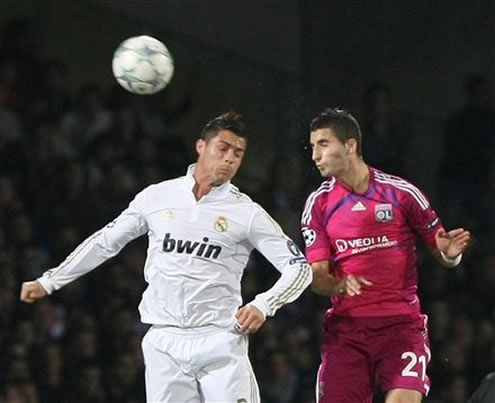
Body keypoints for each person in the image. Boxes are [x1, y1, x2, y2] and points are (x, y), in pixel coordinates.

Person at [20, 111, 313, 403]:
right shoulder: (156, 197)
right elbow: (106, 242)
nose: (230, 159)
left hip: (219, 340)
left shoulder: (246, 213)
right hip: (164, 342)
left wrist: (263, 304)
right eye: (222, 148)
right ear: (201, 146)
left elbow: (300, 268)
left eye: (238, 153)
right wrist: (49, 281)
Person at [300, 107, 471, 403]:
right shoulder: (319, 204)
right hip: (347, 331)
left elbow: (442, 251)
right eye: (313, 146)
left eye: (323, 144)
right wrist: (337, 284)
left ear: (350, 145)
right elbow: (317, 277)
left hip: (401, 326)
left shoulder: (402, 194)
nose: (315, 155)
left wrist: (451, 255)